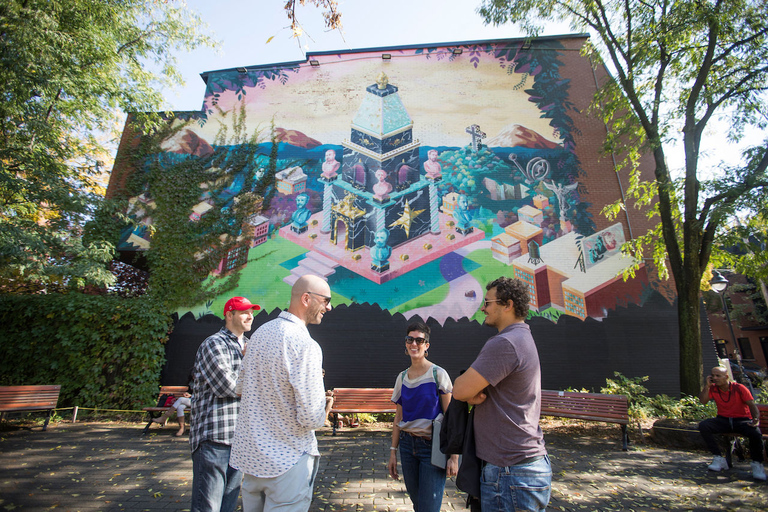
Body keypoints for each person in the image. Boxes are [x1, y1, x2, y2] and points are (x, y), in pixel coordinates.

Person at [230, 274, 334, 512]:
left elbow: (240, 389)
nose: (329, 307)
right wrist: (324, 407)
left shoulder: (258, 335)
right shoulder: (305, 344)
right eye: (326, 300)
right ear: (306, 299)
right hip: (288, 461)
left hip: (252, 459)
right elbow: (311, 418)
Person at [453, 277, 551, 512]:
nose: (483, 308)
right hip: (521, 470)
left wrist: (468, 394)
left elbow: (459, 390)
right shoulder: (522, 337)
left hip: (510, 473)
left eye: (488, 302)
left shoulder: (505, 343)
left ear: (507, 304)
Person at [190, 296, 261, 512]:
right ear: (229, 315)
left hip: (240, 439)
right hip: (215, 438)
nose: (250, 316)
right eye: (244, 312)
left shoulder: (250, 345)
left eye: (251, 312)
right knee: (208, 507)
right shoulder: (214, 343)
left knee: (228, 506)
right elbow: (227, 388)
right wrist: (254, 378)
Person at [388, 321, 459, 512]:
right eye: (410, 339)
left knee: (429, 506)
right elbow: (398, 418)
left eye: (419, 340)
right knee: (418, 503)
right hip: (407, 446)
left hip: (432, 448)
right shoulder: (402, 378)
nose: (414, 344)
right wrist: (393, 452)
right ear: (405, 343)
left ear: (427, 345)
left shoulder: (438, 374)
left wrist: (454, 456)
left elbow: (451, 417)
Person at [698, 366, 766, 480]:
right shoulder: (713, 389)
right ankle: (718, 458)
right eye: (713, 376)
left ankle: (757, 464)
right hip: (723, 419)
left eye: (718, 376)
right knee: (704, 425)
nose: (715, 378)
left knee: (755, 433)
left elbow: (752, 405)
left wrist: (756, 418)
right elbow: (703, 401)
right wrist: (707, 387)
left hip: (741, 420)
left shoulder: (739, 388)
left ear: (726, 376)